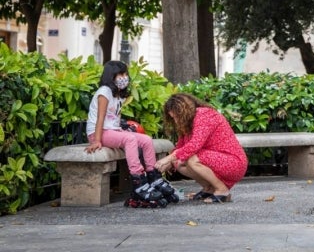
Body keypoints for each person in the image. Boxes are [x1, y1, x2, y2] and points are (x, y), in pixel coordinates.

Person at [85, 60, 169, 206]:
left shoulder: (118, 94)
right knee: (130, 139)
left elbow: (114, 119)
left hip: (112, 131)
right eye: (120, 74)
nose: (124, 77)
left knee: (146, 140)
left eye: (125, 74)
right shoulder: (104, 92)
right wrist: (96, 141)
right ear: (111, 76)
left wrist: (120, 130)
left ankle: (153, 176)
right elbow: (100, 117)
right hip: (98, 132)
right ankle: (138, 181)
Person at [155, 93, 248, 203]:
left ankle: (222, 190)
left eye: (176, 116)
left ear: (183, 111)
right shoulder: (187, 123)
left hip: (234, 162)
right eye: (173, 118)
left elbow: (194, 145)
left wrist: (169, 158)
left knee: (192, 159)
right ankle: (209, 189)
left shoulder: (204, 115)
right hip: (216, 160)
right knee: (179, 164)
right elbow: (181, 147)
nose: (175, 121)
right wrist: (169, 163)